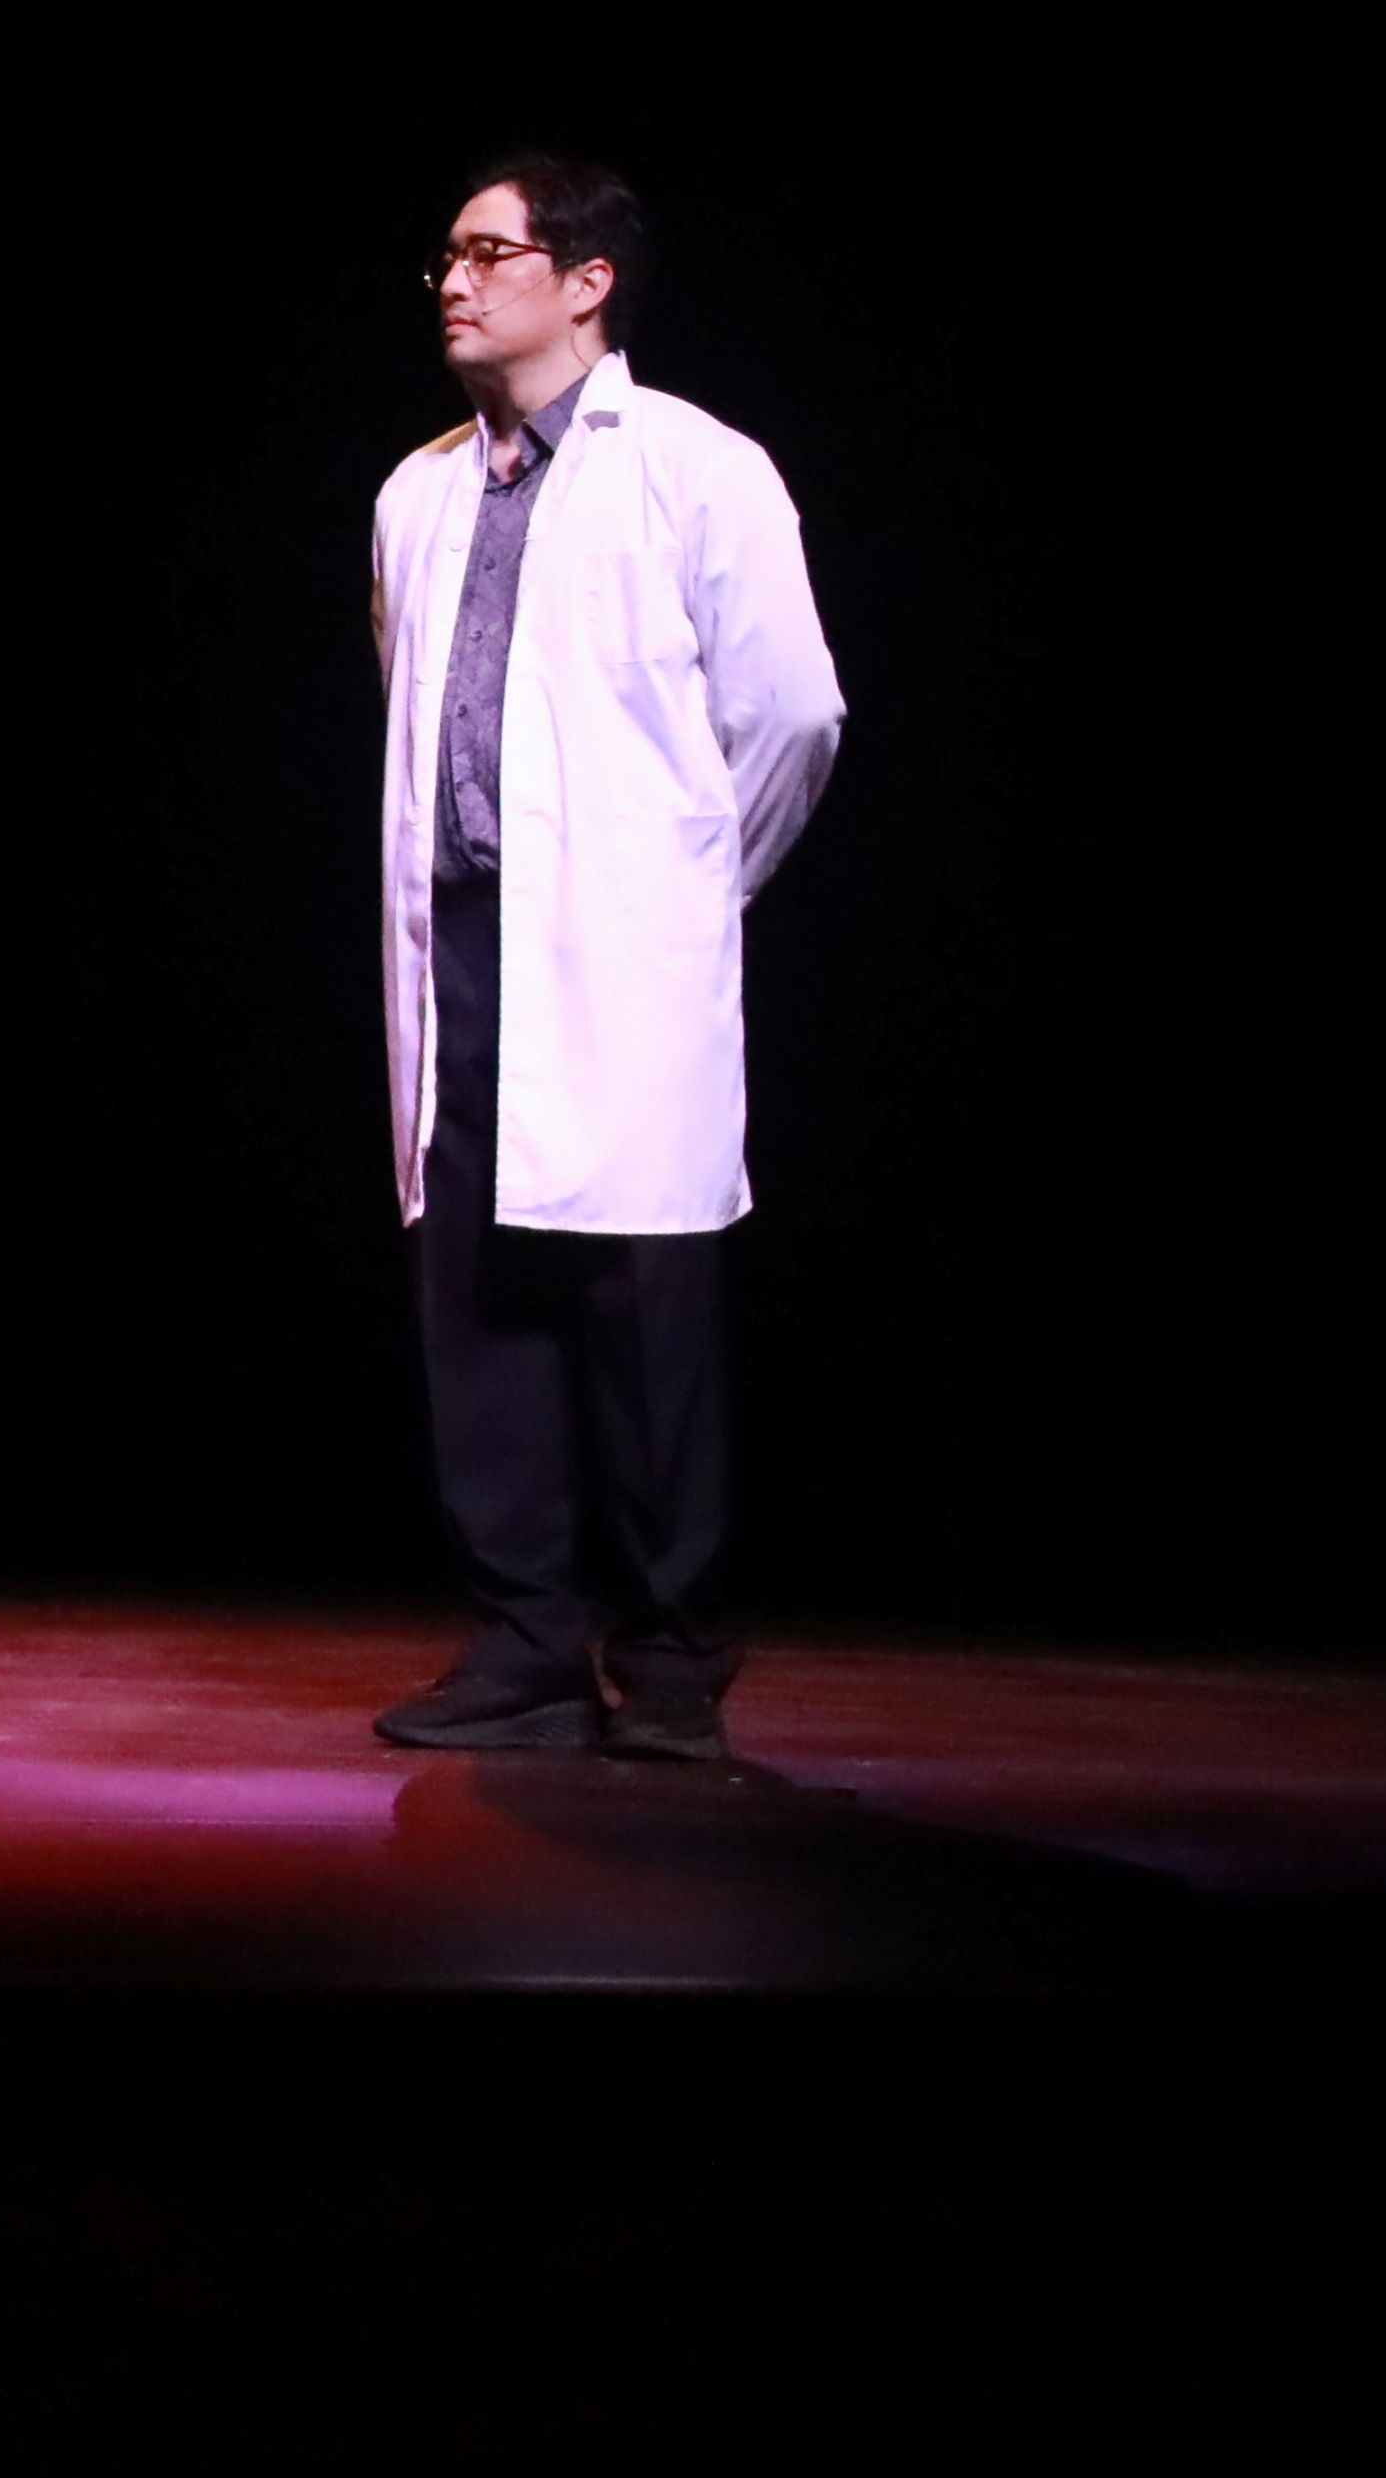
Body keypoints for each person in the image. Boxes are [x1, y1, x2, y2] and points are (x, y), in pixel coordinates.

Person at [366, 161, 845, 1761]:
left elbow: (790, 716)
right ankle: (523, 1640)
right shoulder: (418, 491)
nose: (453, 280)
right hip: (464, 935)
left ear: (586, 282)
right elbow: (410, 690)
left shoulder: (697, 469)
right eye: (444, 256)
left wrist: (690, 882)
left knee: (644, 1296)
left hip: (625, 938)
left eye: (487, 252)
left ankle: (674, 1660)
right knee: (475, 1288)